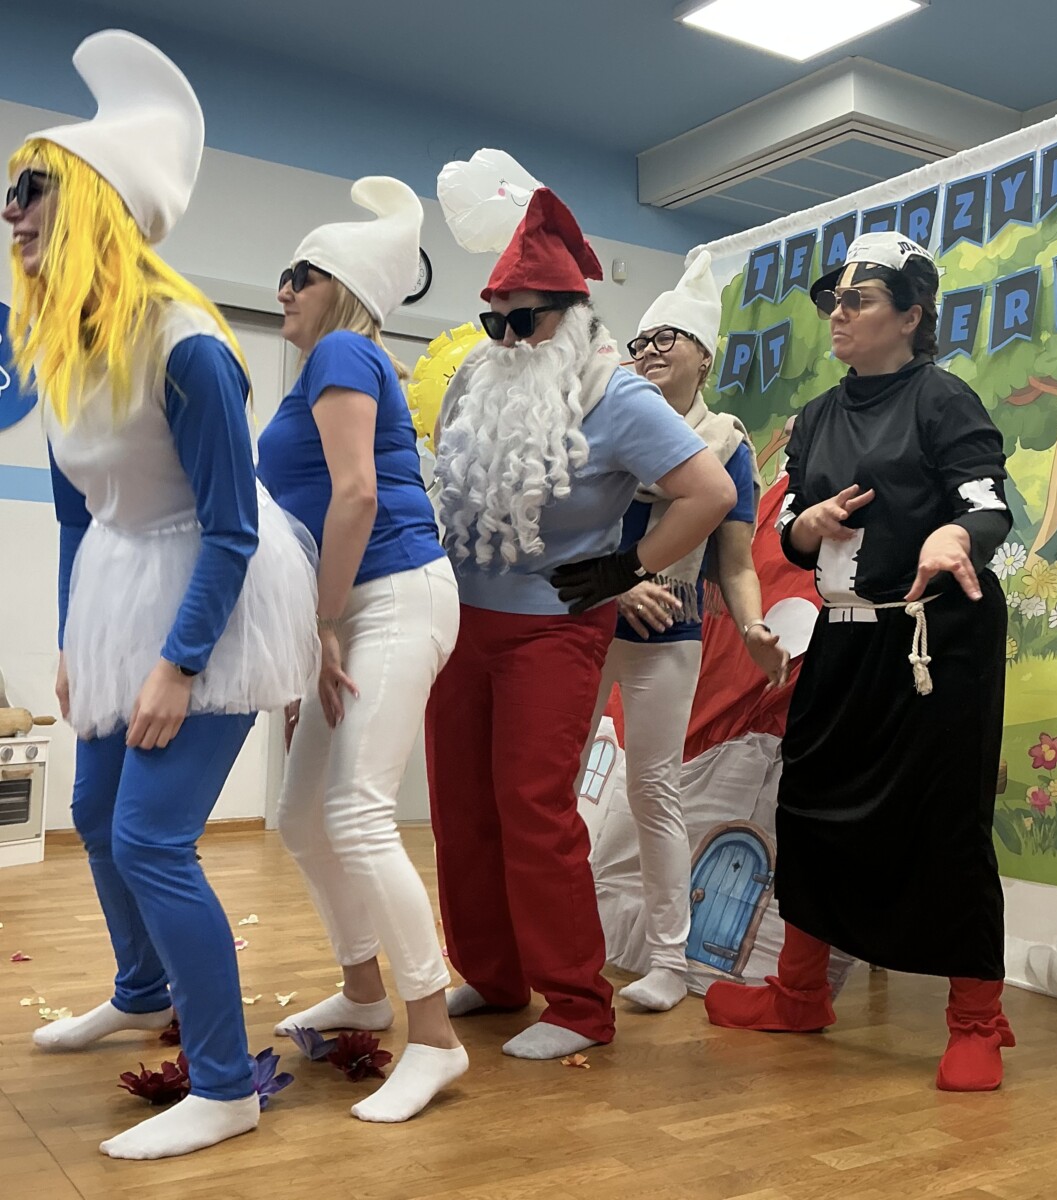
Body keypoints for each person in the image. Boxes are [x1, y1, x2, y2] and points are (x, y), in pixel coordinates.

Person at [4, 31, 318, 1158]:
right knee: (94, 815)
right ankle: (142, 990)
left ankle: (226, 1085)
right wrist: (74, 641)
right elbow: (76, 514)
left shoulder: (189, 349)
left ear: (95, 203)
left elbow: (232, 528)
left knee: (149, 839)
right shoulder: (59, 345)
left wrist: (178, 665)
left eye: (31, 190)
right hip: (118, 584)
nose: (10, 213)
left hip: (214, 595)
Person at [426, 187, 737, 1060]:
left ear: (569, 316)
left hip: (552, 631)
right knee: (460, 806)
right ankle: (493, 975)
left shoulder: (616, 395)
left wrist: (622, 568)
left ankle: (576, 1003)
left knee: (533, 808)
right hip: (462, 623)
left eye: (524, 321)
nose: (507, 340)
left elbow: (709, 492)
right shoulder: (476, 380)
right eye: (493, 321)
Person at [705, 232, 1016, 1092]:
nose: (837, 314)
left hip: (934, 638)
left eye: (859, 299)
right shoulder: (816, 416)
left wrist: (956, 535)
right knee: (810, 807)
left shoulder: (944, 399)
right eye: (831, 301)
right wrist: (806, 527)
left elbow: (987, 502)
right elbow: (792, 525)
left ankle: (976, 1022)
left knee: (945, 823)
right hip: (841, 634)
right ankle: (799, 992)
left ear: (912, 315)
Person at [256, 177, 467, 1124]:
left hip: (391, 597)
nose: (283, 288)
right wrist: (312, 626)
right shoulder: (325, 363)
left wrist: (322, 623)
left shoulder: (344, 349)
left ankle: (437, 1038)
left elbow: (356, 496)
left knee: (356, 814)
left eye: (298, 274)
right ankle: (363, 991)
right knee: (302, 815)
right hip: (350, 604)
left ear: (338, 286)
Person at [580, 251, 789, 1013]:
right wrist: (618, 583)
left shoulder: (726, 445)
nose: (649, 350)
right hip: (586, 619)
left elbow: (734, 562)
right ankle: (557, 942)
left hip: (670, 629)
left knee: (654, 789)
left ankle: (668, 960)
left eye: (668, 338)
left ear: (705, 356)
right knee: (552, 782)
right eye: (641, 340)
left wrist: (755, 625)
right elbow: (570, 529)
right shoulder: (605, 419)